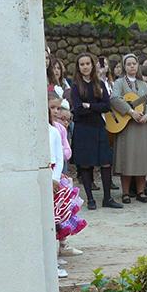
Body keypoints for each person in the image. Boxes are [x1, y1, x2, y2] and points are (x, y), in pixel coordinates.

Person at [69, 53, 122, 210]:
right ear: (78, 67)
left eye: (87, 63)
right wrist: (92, 107)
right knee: (86, 165)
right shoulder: (75, 86)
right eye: (82, 64)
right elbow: (78, 109)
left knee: (105, 163)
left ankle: (107, 199)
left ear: (92, 65)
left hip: (99, 127)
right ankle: (91, 199)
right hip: (83, 129)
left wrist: (90, 106)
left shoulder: (99, 83)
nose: (85, 66)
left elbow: (106, 106)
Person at [110, 54, 147, 203]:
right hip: (127, 126)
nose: (132, 66)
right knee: (127, 159)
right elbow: (114, 99)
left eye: (134, 63)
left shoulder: (143, 84)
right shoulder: (119, 83)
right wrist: (131, 112)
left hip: (142, 126)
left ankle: (141, 191)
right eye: (129, 64)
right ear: (124, 67)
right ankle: (125, 193)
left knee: (142, 159)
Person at [48, 97, 86, 279]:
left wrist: (55, 179)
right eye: (51, 108)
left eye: (57, 108)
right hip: (42, 180)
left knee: (57, 219)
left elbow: (59, 155)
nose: (55, 111)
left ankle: (59, 250)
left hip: (54, 180)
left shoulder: (55, 131)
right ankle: (50, 259)